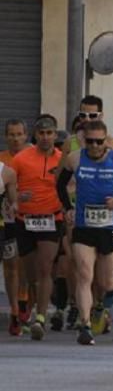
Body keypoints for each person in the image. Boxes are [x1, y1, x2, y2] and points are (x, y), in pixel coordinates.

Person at [55, 120, 113, 345]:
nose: (95, 146)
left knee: (105, 283)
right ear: (84, 140)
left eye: (100, 141)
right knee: (84, 274)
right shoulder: (75, 158)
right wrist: (68, 208)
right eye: (90, 141)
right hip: (84, 225)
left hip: (109, 226)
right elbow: (59, 185)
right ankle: (85, 326)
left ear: (106, 140)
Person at [11, 115, 65, 341]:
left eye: (49, 133)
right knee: (32, 274)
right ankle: (38, 304)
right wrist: (16, 197)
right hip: (25, 220)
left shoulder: (64, 160)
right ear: (35, 135)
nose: (45, 138)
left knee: (45, 268)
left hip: (52, 218)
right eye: (41, 133)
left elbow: (72, 185)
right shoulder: (22, 158)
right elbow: (8, 184)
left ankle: (40, 318)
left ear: (55, 135)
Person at [0, 119, 28, 333]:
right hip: (6, 222)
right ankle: (15, 311)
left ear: (26, 135)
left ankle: (23, 304)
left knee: (23, 266)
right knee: (11, 267)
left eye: (19, 134)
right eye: (11, 134)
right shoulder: (2, 161)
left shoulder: (33, 157)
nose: (15, 138)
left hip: (27, 219)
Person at [0, 157, 18, 335]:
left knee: (12, 269)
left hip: (3, 228)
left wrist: (15, 204)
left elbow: (14, 202)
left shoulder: (6, 172)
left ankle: (15, 312)